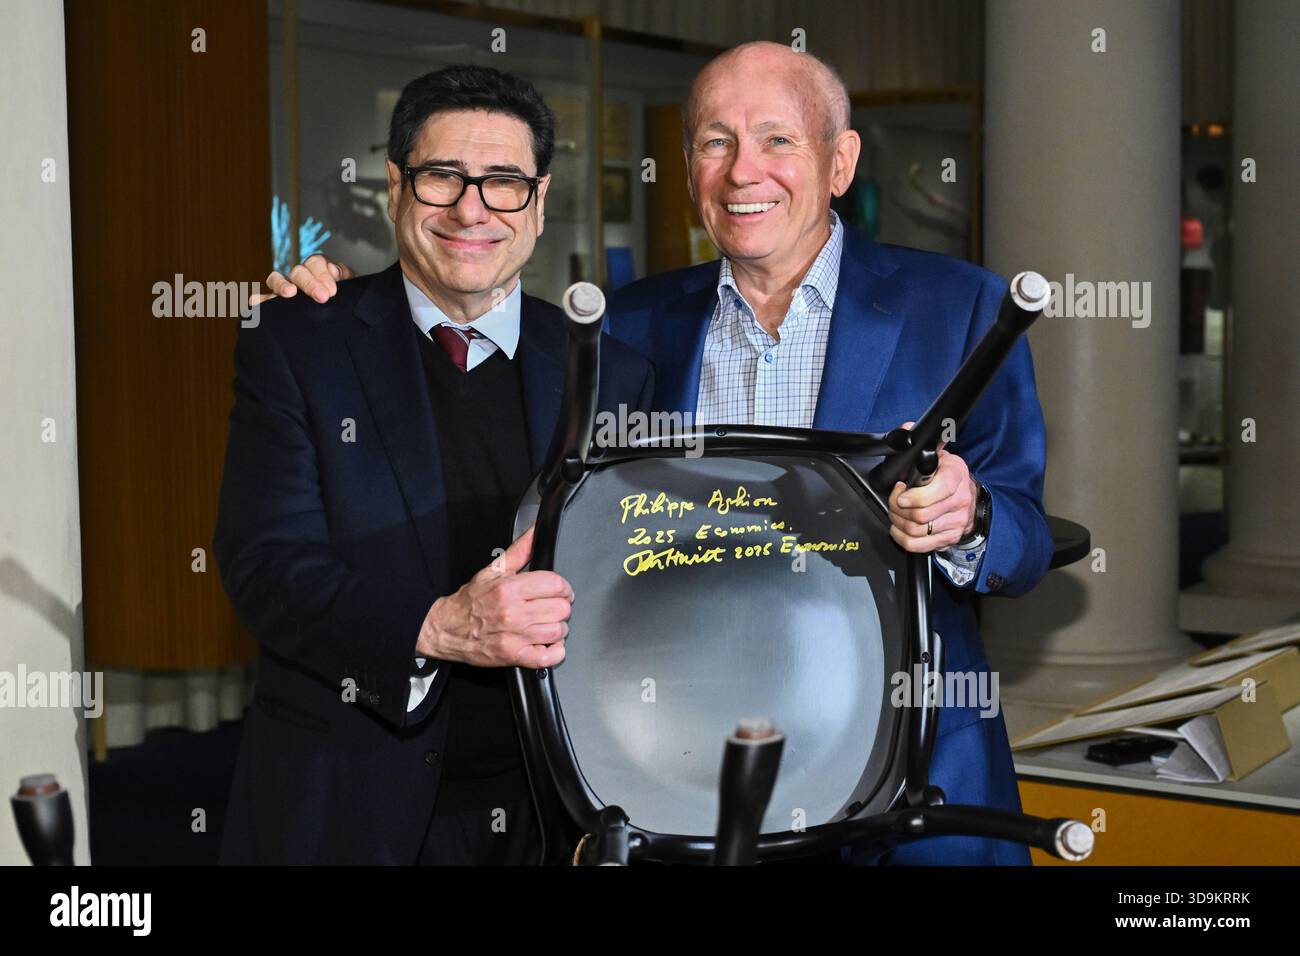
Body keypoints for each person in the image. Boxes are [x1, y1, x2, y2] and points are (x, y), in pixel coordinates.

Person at [270, 42, 1053, 866]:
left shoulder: (962, 311)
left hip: (911, 779)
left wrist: (968, 519)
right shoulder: (626, 327)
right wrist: (330, 310)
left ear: (840, 161)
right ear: (687, 169)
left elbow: (1028, 541)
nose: (743, 170)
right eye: (715, 141)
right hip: (680, 775)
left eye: (778, 139)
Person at [213, 64, 654, 864]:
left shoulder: (611, 372)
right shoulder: (298, 343)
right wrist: (440, 628)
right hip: (350, 806)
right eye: (442, 177)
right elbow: (264, 564)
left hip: (555, 814)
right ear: (395, 188)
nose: (471, 209)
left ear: (541, 201)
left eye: (504, 182)